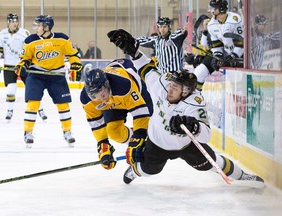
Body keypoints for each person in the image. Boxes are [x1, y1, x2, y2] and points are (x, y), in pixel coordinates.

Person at [107, 28, 264, 185]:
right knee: (149, 170)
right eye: (172, 85)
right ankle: (135, 171)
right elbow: (145, 68)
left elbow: (206, 135)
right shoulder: (162, 86)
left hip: (185, 144)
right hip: (157, 142)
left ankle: (243, 176)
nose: (170, 90)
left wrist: (193, 126)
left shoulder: (194, 103)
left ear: (186, 92)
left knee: (212, 163)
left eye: (176, 88)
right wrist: (133, 52)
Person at [14, 15, 82, 148]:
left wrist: (75, 65)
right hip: (36, 75)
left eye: (38, 25)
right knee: (33, 104)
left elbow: (73, 55)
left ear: (47, 27)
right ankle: (28, 132)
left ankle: (67, 132)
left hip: (56, 75)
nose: (36, 28)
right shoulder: (30, 40)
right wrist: (22, 65)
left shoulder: (62, 39)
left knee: (63, 105)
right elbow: (25, 58)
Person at [80, 58, 153, 170]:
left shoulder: (123, 85)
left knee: (153, 125)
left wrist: (138, 137)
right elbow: (96, 123)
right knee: (114, 132)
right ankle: (138, 142)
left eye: (102, 91)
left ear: (107, 84)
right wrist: (103, 145)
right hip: (114, 100)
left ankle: (144, 139)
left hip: (138, 90)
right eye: (94, 95)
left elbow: (140, 113)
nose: (100, 97)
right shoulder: (86, 99)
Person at [0, 13, 48, 121]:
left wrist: (32, 63)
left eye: (16, 21)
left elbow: (30, 49)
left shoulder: (24, 33)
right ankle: (9, 111)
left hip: (23, 66)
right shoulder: (1, 34)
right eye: (12, 21)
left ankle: (40, 110)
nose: (15, 23)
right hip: (9, 66)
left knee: (32, 89)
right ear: (8, 22)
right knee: (11, 89)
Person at [193, 0, 244, 89]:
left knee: (237, 82)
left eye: (213, 8)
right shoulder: (211, 24)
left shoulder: (235, 19)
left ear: (220, 9)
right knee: (199, 72)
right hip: (225, 53)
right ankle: (196, 97)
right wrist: (218, 55)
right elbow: (216, 45)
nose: (210, 11)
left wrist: (233, 55)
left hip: (239, 54)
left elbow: (241, 43)